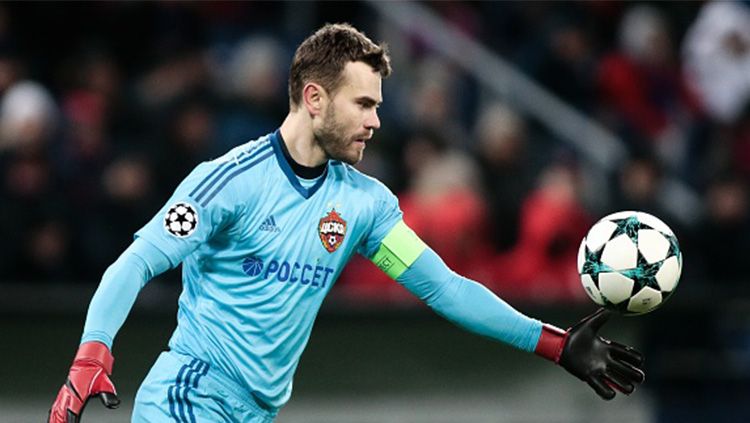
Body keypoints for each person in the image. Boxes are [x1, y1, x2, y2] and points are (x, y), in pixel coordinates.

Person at [49, 23, 644, 423]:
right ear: (314, 98)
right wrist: (91, 351)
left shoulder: (364, 207)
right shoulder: (228, 183)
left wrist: (554, 343)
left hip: (257, 411)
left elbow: (446, 289)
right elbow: (137, 260)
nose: (377, 121)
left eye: (379, 105)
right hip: (190, 394)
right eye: (364, 104)